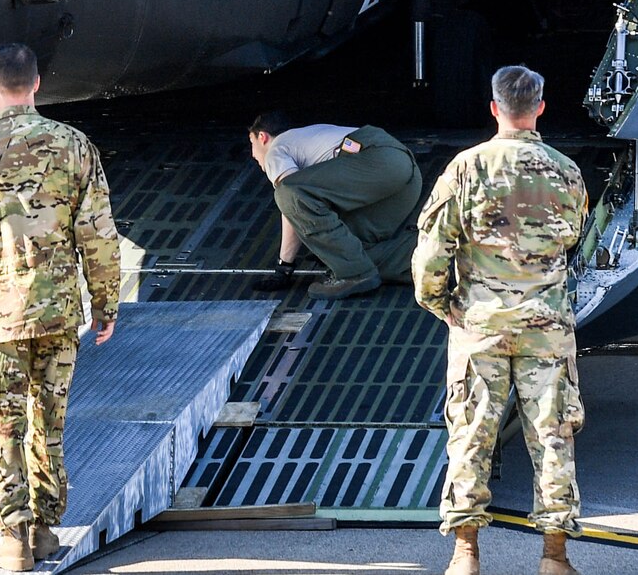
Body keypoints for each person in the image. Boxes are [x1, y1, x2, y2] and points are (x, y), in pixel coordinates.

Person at [0, 43, 122, 572]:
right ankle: (44, 529)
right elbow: (98, 233)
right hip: (60, 311)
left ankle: (11, 535)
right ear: (38, 83)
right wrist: (106, 302)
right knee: (50, 422)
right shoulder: (75, 146)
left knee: (4, 426)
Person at [414, 66, 588, 575]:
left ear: (493, 108)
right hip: (546, 328)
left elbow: (430, 255)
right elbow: (573, 235)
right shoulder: (567, 172)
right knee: (553, 435)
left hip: (479, 324)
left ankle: (465, 555)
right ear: (539, 107)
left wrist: (441, 304)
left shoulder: (465, 169)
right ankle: (555, 558)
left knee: (470, 435)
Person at [247, 112, 423, 299]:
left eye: (251, 143)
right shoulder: (307, 138)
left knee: (286, 193)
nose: (252, 154)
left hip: (374, 159)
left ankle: (354, 275)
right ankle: (440, 257)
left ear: (262, 137)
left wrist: (284, 266)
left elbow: (293, 201)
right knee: (356, 251)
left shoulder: (277, 148)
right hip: (404, 172)